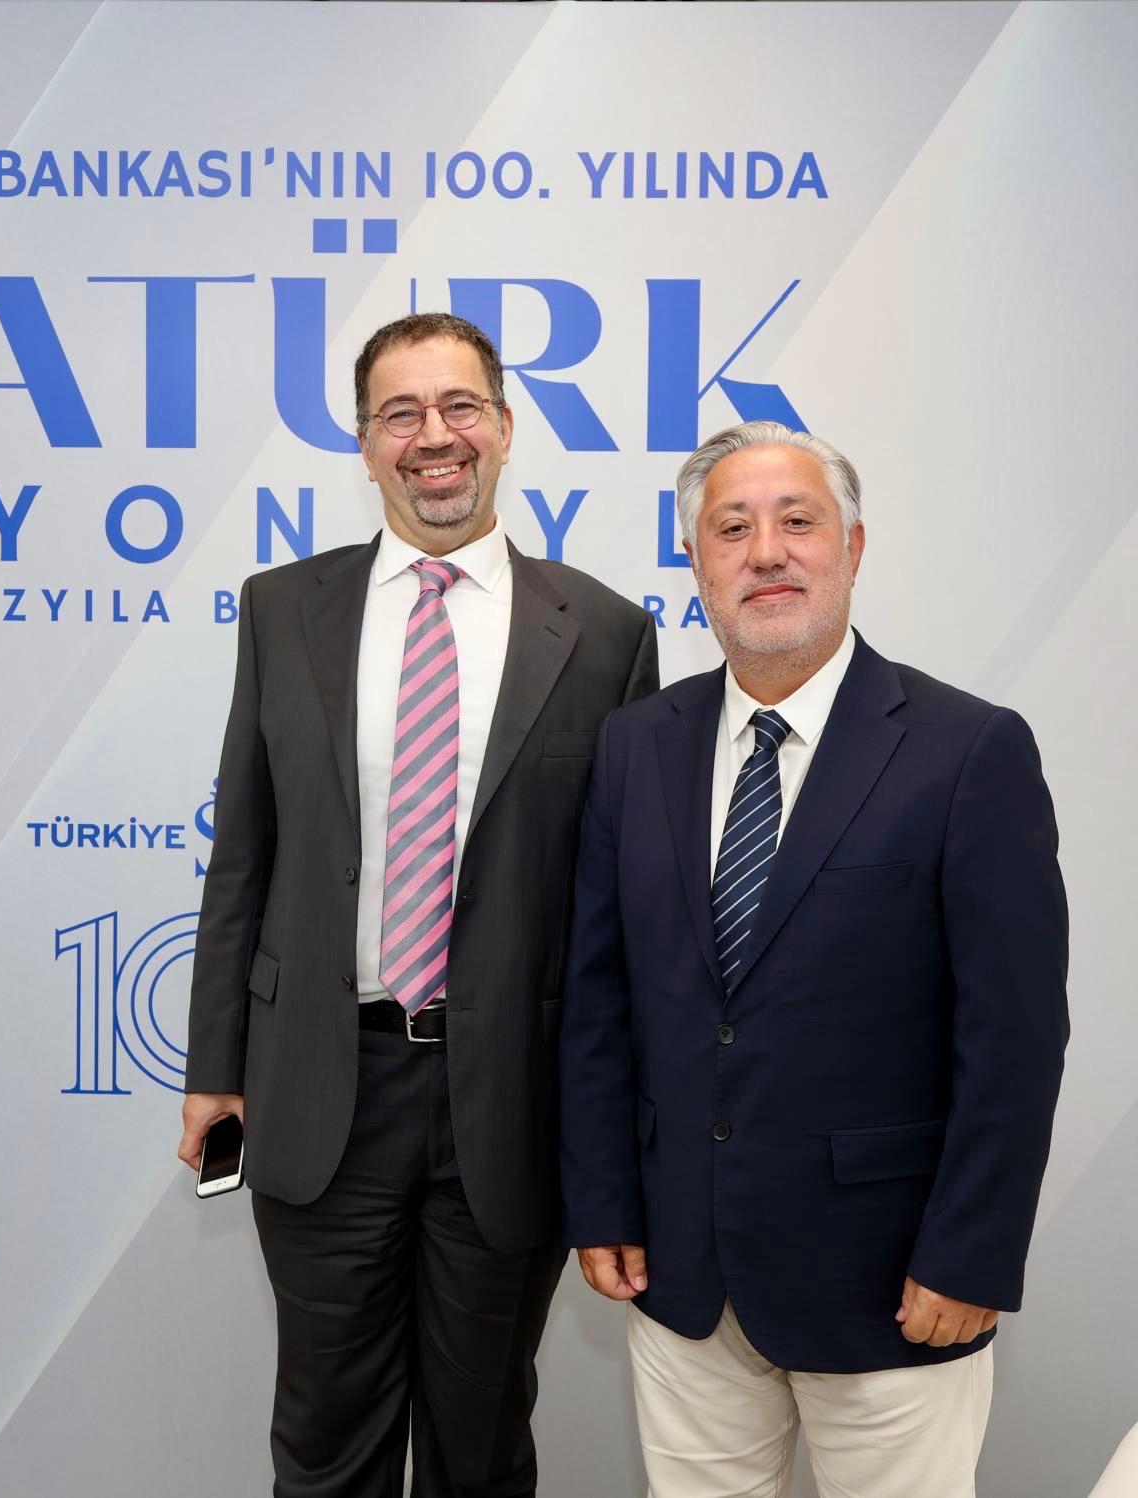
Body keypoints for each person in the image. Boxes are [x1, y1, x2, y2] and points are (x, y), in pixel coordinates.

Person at [180, 312, 657, 1497]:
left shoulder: (605, 632)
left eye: (458, 407)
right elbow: (243, 857)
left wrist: (619, 1122)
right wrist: (214, 1069)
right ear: (364, 442)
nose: (432, 435)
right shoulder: (282, 608)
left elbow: (619, 913)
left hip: (511, 1103)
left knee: (478, 1448)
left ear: (503, 426)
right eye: (400, 413)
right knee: (325, 1446)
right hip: (321, 1087)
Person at [558, 419, 1069, 1497]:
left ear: (853, 546)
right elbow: (599, 996)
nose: (767, 552)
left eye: (798, 522)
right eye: (731, 529)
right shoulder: (635, 744)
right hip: (683, 1279)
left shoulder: (968, 748)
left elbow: (1014, 1035)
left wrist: (970, 1252)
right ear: (695, 562)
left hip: (893, 1287)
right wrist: (602, 1200)